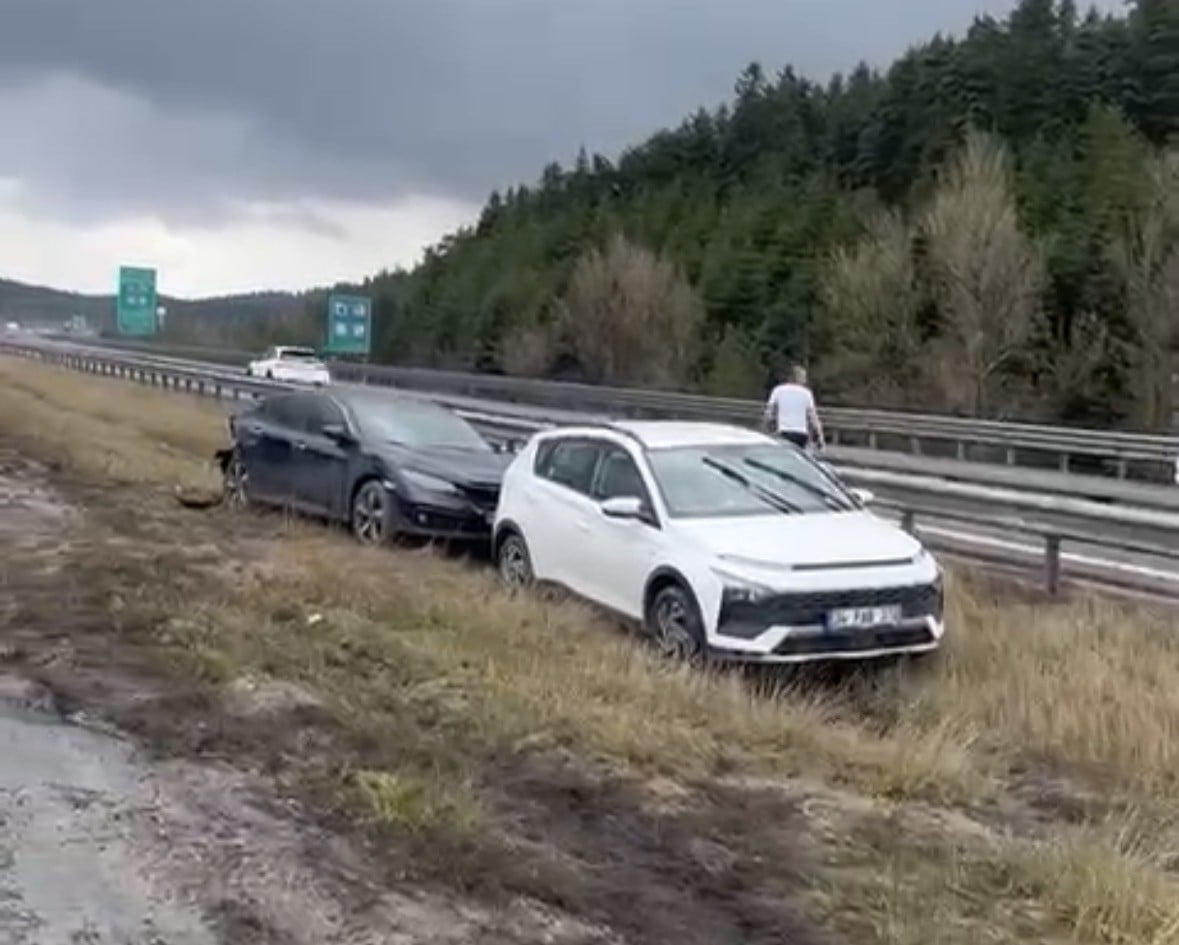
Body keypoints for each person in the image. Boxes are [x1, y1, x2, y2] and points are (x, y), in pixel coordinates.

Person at [763, 364, 825, 452]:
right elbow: (813, 418)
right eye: (804, 377)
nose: (805, 380)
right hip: (801, 433)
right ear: (799, 378)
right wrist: (820, 438)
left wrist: (767, 429)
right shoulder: (806, 393)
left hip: (784, 431)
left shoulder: (778, 390)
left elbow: (768, 414)